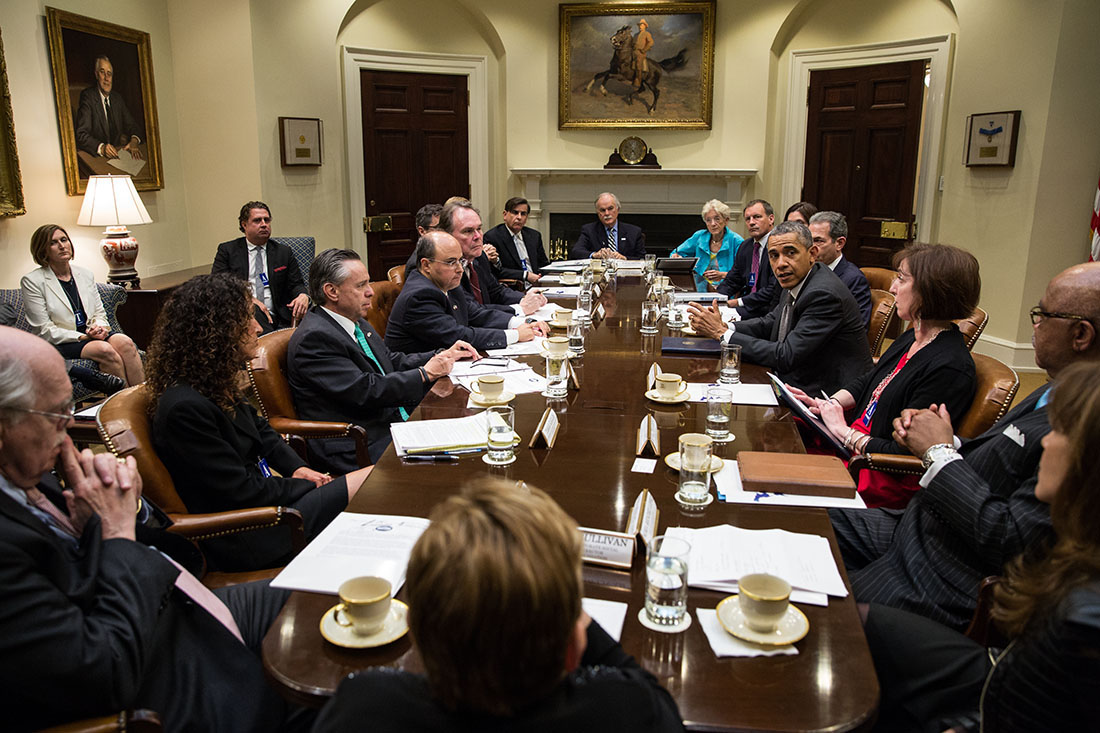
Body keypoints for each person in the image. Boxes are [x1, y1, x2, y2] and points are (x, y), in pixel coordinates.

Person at [0, 326, 308, 732]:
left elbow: (151, 532)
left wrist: (122, 505)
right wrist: (114, 530)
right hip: (160, 681)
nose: (69, 431)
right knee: (332, 689)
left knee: (319, 603)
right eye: (57, 415)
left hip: (174, 604)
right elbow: (104, 669)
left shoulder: (25, 469)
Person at [828, 262, 1100, 629]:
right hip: (917, 525)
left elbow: (1012, 539)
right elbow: (1000, 457)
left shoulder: (1086, 423)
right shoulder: (1057, 390)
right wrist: (949, 440)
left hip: (943, 571)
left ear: (1081, 334)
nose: (1033, 324)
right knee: (802, 524)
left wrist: (938, 453)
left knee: (815, 606)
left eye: (1042, 314)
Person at [313, 479, 685, 732]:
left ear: (421, 638)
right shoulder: (626, 713)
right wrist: (574, 615)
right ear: (572, 651)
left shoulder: (361, 709)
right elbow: (653, 696)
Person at [862, 361, 1100, 732]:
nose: (1047, 440)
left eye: (1062, 432)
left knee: (840, 621)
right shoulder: (1076, 559)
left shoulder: (1081, 616)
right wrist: (947, 445)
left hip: (958, 598)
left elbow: (1017, 705)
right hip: (997, 671)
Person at [146, 274, 371, 571]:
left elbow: (263, 432)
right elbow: (241, 492)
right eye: (245, 321)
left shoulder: (211, 383)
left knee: (372, 486)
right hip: (250, 531)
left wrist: (298, 468)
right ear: (217, 332)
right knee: (374, 480)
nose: (257, 327)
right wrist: (302, 487)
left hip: (270, 505)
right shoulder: (184, 408)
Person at [789, 244, 980, 508]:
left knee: (781, 473)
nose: (892, 289)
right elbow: (870, 380)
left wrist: (842, 431)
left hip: (875, 474)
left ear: (931, 290)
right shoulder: (912, 336)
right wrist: (829, 404)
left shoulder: (950, 366)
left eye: (901, 279)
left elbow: (906, 450)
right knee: (781, 433)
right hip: (853, 448)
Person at [288, 249, 478, 470]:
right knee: (459, 462)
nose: (370, 292)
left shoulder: (353, 320)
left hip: (386, 423)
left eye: (368, 284)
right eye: (360, 286)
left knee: (468, 438)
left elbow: (388, 360)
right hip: (358, 442)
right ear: (331, 291)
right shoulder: (315, 338)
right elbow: (365, 390)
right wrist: (424, 374)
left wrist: (439, 356)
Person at [688, 220, 872, 396]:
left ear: (812, 254)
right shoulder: (797, 278)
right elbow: (771, 322)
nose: (781, 263)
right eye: (774, 255)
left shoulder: (824, 294)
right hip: (796, 380)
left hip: (826, 395)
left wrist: (722, 334)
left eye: (790, 253)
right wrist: (726, 326)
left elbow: (786, 356)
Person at [20, 224, 144, 387]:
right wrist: (85, 336)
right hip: (62, 341)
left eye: (64, 240)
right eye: (53, 242)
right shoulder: (33, 281)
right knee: (104, 350)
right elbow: (43, 330)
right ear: (42, 250)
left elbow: (99, 313)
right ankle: (122, 407)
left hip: (91, 334)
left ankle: (145, 402)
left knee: (125, 343)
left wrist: (99, 328)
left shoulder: (85, 274)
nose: (62, 246)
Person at [386, 231, 547, 353]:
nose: (459, 269)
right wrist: (515, 335)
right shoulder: (419, 295)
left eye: (460, 261)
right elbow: (456, 335)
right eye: (450, 262)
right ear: (426, 265)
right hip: (424, 382)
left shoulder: (447, 282)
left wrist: (523, 323)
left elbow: (476, 314)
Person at [212, 200, 310, 332]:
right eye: (257, 220)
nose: (264, 225)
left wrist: (303, 295)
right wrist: (249, 299)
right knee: (254, 310)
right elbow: (218, 286)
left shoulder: (283, 252)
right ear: (244, 224)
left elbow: (296, 284)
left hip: (281, 315)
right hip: (246, 314)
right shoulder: (228, 250)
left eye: (267, 220)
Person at [715, 199, 781, 319]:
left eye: (757, 217)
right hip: (747, 306)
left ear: (771, 219)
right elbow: (732, 280)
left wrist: (738, 302)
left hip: (768, 310)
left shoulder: (778, 247)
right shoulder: (745, 246)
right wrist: (715, 299)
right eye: (748, 219)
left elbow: (773, 289)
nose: (751, 222)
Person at [806, 211, 871, 326]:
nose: (811, 248)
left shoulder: (854, 280)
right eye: (809, 241)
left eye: (818, 241)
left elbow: (857, 328)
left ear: (839, 243)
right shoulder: (807, 270)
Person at [74, 55, 143, 160]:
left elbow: (133, 125)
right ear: (96, 75)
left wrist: (134, 141)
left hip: (117, 157)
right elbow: (81, 134)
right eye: (102, 72)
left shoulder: (117, 99)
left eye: (109, 74)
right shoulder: (88, 97)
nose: (106, 78)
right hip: (97, 158)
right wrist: (102, 148)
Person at [669, 199, 744, 291]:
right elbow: (675, 253)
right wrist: (677, 257)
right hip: (698, 290)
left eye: (717, 219)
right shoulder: (699, 236)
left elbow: (743, 273)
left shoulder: (737, 241)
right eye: (708, 220)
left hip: (728, 291)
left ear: (726, 220)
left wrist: (722, 275)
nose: (713, 224)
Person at [483, 196, 550, 286]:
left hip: (537, 285)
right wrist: (525, 275)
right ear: (505, 215)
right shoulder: (493, 237)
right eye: (515, 213)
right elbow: (496, 270)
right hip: (513, 288)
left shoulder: (534, 236)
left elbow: (543, 264)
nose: (519, 217)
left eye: (523, 214)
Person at [571, 192, 646, 260]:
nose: (607, 213)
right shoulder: (589, 230)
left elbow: (642, 259)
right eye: (603, 210)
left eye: (610, 208)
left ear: (618, 209)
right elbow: (576, 252)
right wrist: (594, 255)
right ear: (598, 213)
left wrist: (624, 258)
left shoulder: (634, 232)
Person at [633, 19, 654, 90]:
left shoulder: (647, 34)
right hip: (634, 51)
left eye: (641, 25)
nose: (640, 26)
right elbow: (632, 43)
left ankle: (638, 81)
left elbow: (651, 42)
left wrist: (644, 50)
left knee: (638, 65)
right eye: (639, 25)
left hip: (641, 53)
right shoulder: (636, 35)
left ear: (645, 26)